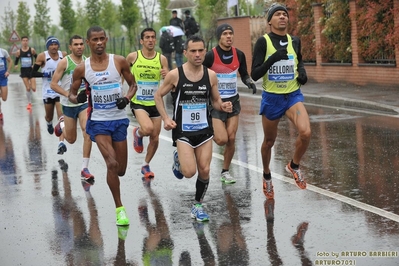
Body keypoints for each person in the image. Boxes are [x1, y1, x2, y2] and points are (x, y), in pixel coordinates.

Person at [154, 35, 233, 222]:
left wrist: (222, 106)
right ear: (185, 53)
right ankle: (178, 160)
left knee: (204, 170)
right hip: (183, 131)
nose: (197, 54)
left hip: (204, 130)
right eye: (193, 51)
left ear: (205, 51)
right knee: (189, 172)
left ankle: (197, 205)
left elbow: (215, 100)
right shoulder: (175, 74)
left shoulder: (211, 75)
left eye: (200, 51)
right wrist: (165, 118)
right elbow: (158, 96)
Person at [68, 26, 137, 226]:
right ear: (88, 43)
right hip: (98, 122)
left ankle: (118, 197)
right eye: (94, 40)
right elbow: (72, 94)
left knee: (121, 170)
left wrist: (126, 98)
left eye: (102, 39)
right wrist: (77, 97)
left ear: (106, 40)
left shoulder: (119, 61)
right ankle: (120, 209)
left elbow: (133, 85)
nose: (99, 43)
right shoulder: (83, 68)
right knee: (112, 164)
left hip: (118, 121)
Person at [251, 3, 310, 199]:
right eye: (277, 14)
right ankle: (267, 175)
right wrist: (273, 59)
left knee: (306, 132)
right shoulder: (263, 42)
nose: (282, 17)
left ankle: (294, 165)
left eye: (285, 14)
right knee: (269, 141)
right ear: (270, 21)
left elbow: (298, 60)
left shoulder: (295, 41)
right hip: (272, 98)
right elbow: (255, 74)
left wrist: (302, 72)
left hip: (292, 95)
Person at [203, 23, 257, 184]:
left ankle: (225, 172)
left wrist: (249, 82)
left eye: (230, 33)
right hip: (216, 102)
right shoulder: (210, 56)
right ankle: (203, 134)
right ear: (219, 36)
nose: (229, 36)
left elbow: (244, 74)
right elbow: (200, 75)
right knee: (221, 140)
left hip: (233, 100)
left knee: (232, 138)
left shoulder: (238, 54)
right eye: (225, 33)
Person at [50, 35, 95, 181]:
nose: (79, 47)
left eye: (81, 44)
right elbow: (54, 84)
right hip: (68, 105)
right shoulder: (65, 62)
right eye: (76, 44)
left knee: (87, 131)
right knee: (70, 139)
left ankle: (84, 168)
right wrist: (68, 94)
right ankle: (62, 124)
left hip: (83, 103)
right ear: (70, 47)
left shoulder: (88, 62)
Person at [126, 28, 169, 179]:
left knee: (155, 138)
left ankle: (145, 165)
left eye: (153, 37)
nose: (150, 40)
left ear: (155, 40)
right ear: (141, 41)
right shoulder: (133, 57)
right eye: (147, 37)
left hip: (155, 103)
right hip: (138, 102)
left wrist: (166, 75)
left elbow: (168, 82)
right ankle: (138, 133)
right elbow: (122, 73)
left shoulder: (161, 59)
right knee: (148, 128)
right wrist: (126, 89)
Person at [31, 36, 68, 155]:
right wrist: (45, 74)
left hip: (59, 89)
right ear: (48, 46)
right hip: (48, 91)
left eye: (55, 44)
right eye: (51, 45)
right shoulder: (43, 56)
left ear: (58, 45)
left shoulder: (63, 55)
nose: (54, 47)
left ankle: (61, 143)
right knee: (49, 116)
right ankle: (48, 123)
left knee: (61, 116)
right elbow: (32, 72)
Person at [14, 36, 37, 110]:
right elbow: (17, 59)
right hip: (23, 71)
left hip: (31, 70)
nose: (25, 42)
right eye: (23, 40)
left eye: (26, 40)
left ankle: (31, 85)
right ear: (21, 42)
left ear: (28, 41)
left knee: (33, 88)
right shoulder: (19, 51)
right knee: (27, 88)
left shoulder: (32, 50)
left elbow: (37, 57)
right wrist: (16, 65)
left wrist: (35, 64)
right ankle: (29, 103)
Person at [0, 47, 12, 123]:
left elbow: (10, 61)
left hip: (3, 77)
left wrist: (8, 71)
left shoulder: (3, 52)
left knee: (4, 98)